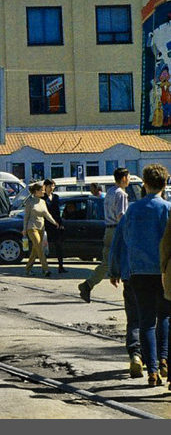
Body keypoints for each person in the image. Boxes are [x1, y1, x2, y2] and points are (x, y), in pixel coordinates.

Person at [112, 164, 171, 386]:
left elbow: (122, 240)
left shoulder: (132, 211)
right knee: (165, 317)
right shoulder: (167, 208)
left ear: (144, 184)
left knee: (146, 322)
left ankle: (152, 371)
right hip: (163, 272)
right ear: (165, 184)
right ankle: (164, 360)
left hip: (138, 272)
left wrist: (117, 269)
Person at [80, 168, 132, 302]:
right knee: (127, 259)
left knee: (107, 262)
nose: (130, 179)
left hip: (108, 229)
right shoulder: (121, 194)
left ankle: (88, 285)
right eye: (129, 177)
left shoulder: (110, 191)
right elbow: (121, 215)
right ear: (124, 178)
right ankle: (132, 293)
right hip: (117, 230)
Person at [22, 182, 62, 277]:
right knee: (39, 247)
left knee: (36, 249)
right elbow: (26, 217)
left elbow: (46, 214)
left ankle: (28, 268)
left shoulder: (42, 202)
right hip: (32, 228)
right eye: (42, 190)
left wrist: (54, 222)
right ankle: (46, 269)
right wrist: (24, 229)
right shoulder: (29, 202)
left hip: (41, 228)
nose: (44, 191)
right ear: (36, 191)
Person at [42, 179, 66, 274]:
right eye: (50, 186)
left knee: (58, 245)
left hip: (55, 224)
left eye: (53, 186)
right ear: (45, 187)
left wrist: (60, 224)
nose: (52, 188)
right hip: (45, 224)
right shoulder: (42, 198)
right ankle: (45, 268)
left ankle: (61, 266)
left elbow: (58, 212)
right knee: (44, 247)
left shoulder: (56, 197)